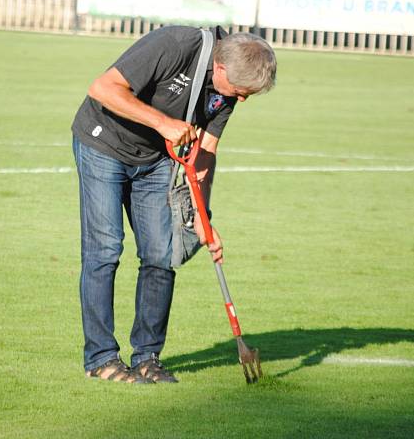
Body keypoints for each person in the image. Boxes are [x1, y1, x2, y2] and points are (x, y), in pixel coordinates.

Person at [71, 26, 277, 384]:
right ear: (222, 69)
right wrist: (164, 123)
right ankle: (101, 357)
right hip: (103, 145)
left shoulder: (228, 87)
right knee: (105, 249)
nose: (240, 101)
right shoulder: (174, 46)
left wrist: (201, 216)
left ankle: (147, 357)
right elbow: (102, 88)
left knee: (161, 253)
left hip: (156, 159)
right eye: (241, 93)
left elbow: (207, 149)